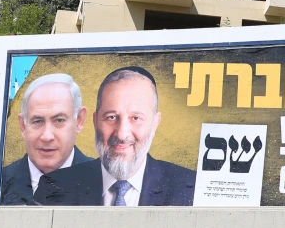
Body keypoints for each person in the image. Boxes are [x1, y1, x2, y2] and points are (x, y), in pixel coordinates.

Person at [34, 66, 195, 206]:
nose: (122, 133)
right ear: (95, 121)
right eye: (111, 117)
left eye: (136, 118)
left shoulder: (189, 188)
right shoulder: (53, 187)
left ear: (155, 123)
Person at [0, 73, 92, 205]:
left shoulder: (107, 184)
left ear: (79, 120)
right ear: (23, 126)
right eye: (37, 121)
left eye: (59, 120)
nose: (47, 136)